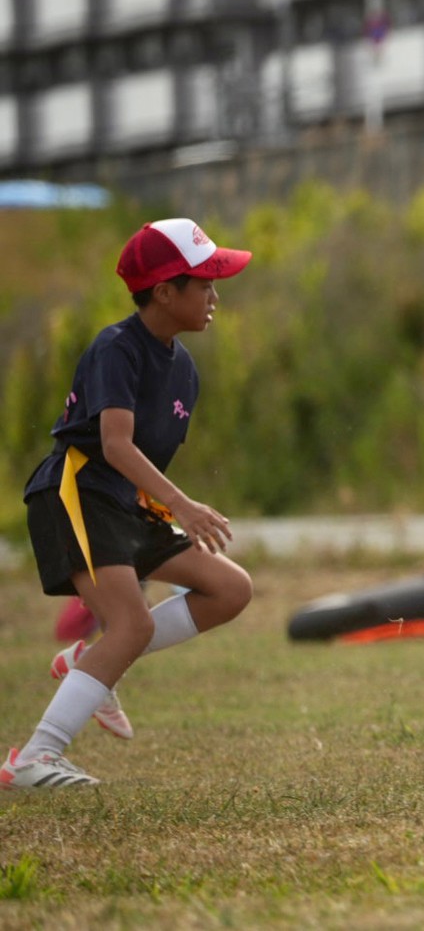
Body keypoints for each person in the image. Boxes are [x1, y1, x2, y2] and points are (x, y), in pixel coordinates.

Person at [2, 219, 255, 789]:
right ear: (164, 292)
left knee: (230, 589)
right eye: (204, 283)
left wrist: (165, 507)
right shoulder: (116, 348)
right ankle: (33, 759)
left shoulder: (185, 370)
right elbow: (115, 445)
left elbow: (145, 458)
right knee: (132, 624)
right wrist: (182, 504)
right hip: (78, 493)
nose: (215, 296)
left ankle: (92, 659)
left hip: (127, 501)